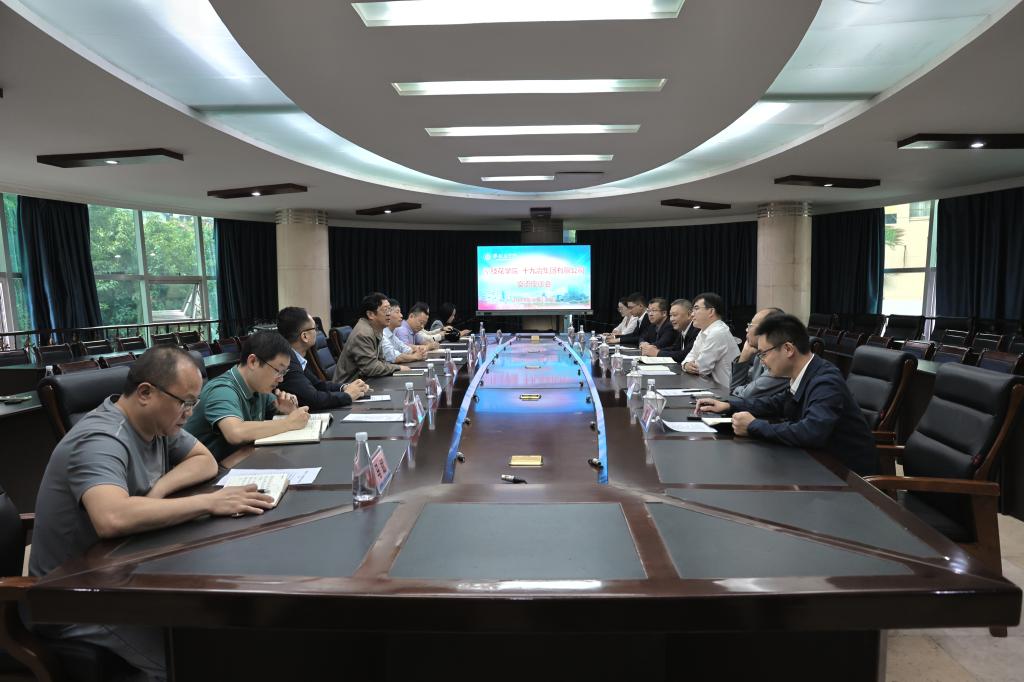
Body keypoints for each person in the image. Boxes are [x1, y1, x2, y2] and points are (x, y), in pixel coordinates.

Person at [29, 346, 275, 681]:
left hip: (127, 571)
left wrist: (157, 491)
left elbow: (204, 461)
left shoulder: (156, 424)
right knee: (204, 658)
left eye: (194, 403)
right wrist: (209, 502)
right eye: (185, 402)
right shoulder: (100, 438)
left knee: (225, 628)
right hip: (76, 597)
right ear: (145, 393)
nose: (190, 413)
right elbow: (112, 517)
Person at [696, 313, 878, 476]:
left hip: (847, 477)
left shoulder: (825, 381)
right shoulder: (805, 374)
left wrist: (753, 426)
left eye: (763, 354)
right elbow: (776, 403)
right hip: (816, 463)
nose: (762, 361)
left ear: (788, 349)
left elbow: (811, 432)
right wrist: (729, 405)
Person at [184, 331, 309, 465]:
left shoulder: (260, 388)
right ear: (253, 361)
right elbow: (235, 433)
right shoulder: (222, 390)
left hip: (238, 462)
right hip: (204, 472)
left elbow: (278, 415)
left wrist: (287, 410)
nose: (281, 379)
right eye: (278, 371)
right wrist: (288, 423)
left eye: (284, 372)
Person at [276, 306, 369, 410]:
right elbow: (313, 399)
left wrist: (345, 387)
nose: (317, 332)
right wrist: (348, 395)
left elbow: (318, 385)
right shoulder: (287, 361)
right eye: (315, 328)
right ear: (305, 336)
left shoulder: (295, 357)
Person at [333, 292, 409, 383]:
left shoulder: (377, 329)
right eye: (385, 310)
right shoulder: (363, 333)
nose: (389, 314)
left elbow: (381, 361)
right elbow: (371, 368)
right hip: (348, 386)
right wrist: (398, 368)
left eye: (390, 309)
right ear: (370, 314)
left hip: (365, 380)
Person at [682, 292, 739, 387]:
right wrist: (686, 364)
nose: (692, 314)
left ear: (711, 312)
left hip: (724, 391)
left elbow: (701, 369)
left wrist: (687, 365)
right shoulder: (704, 330)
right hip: (710, 386)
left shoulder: (718, 332)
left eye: (696, 308)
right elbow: (691, 355)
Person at [730, 307, 789, 400]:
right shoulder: (759, 354)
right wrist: (743, 357)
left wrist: (742, 389)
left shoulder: (781, 357)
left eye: (750, 325)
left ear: (765, 330)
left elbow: (745, 394)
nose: (746, 329)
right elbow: (737, 391)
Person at [381, 299, 429, 363]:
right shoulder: (383, 333)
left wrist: (419, 352)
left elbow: (404, 348)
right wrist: (416, 356)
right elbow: (393, 356)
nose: (401, 315)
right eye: (397, 312)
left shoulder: (392, 333)